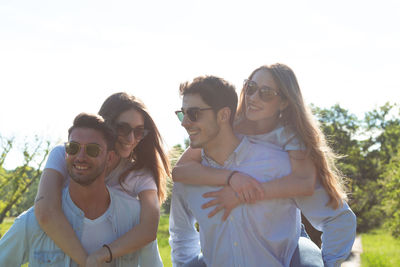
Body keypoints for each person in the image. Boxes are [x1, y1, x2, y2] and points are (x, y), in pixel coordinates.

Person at [170, 73, 356, 267]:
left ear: (224, 115)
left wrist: (329, 263)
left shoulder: (279, 163)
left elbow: (338, 218)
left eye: (194, 114)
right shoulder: (189, 177)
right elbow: (181, 235)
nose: (184, 123)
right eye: (182, 114)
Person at [0, 113, 162, 267]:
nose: (81, 156)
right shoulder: (31, 223)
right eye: (73, 148)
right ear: (65, 153)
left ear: (110, 158)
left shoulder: (134, 218)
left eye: (92, 150)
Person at [34, 92, 170, 266]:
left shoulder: (140, 174)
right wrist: (85, 261)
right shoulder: (66, 154)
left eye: (138, 132)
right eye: (123, 128)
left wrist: (101, 256)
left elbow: (148, 230)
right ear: (107, 124)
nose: (131, 139)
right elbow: (45, 211)